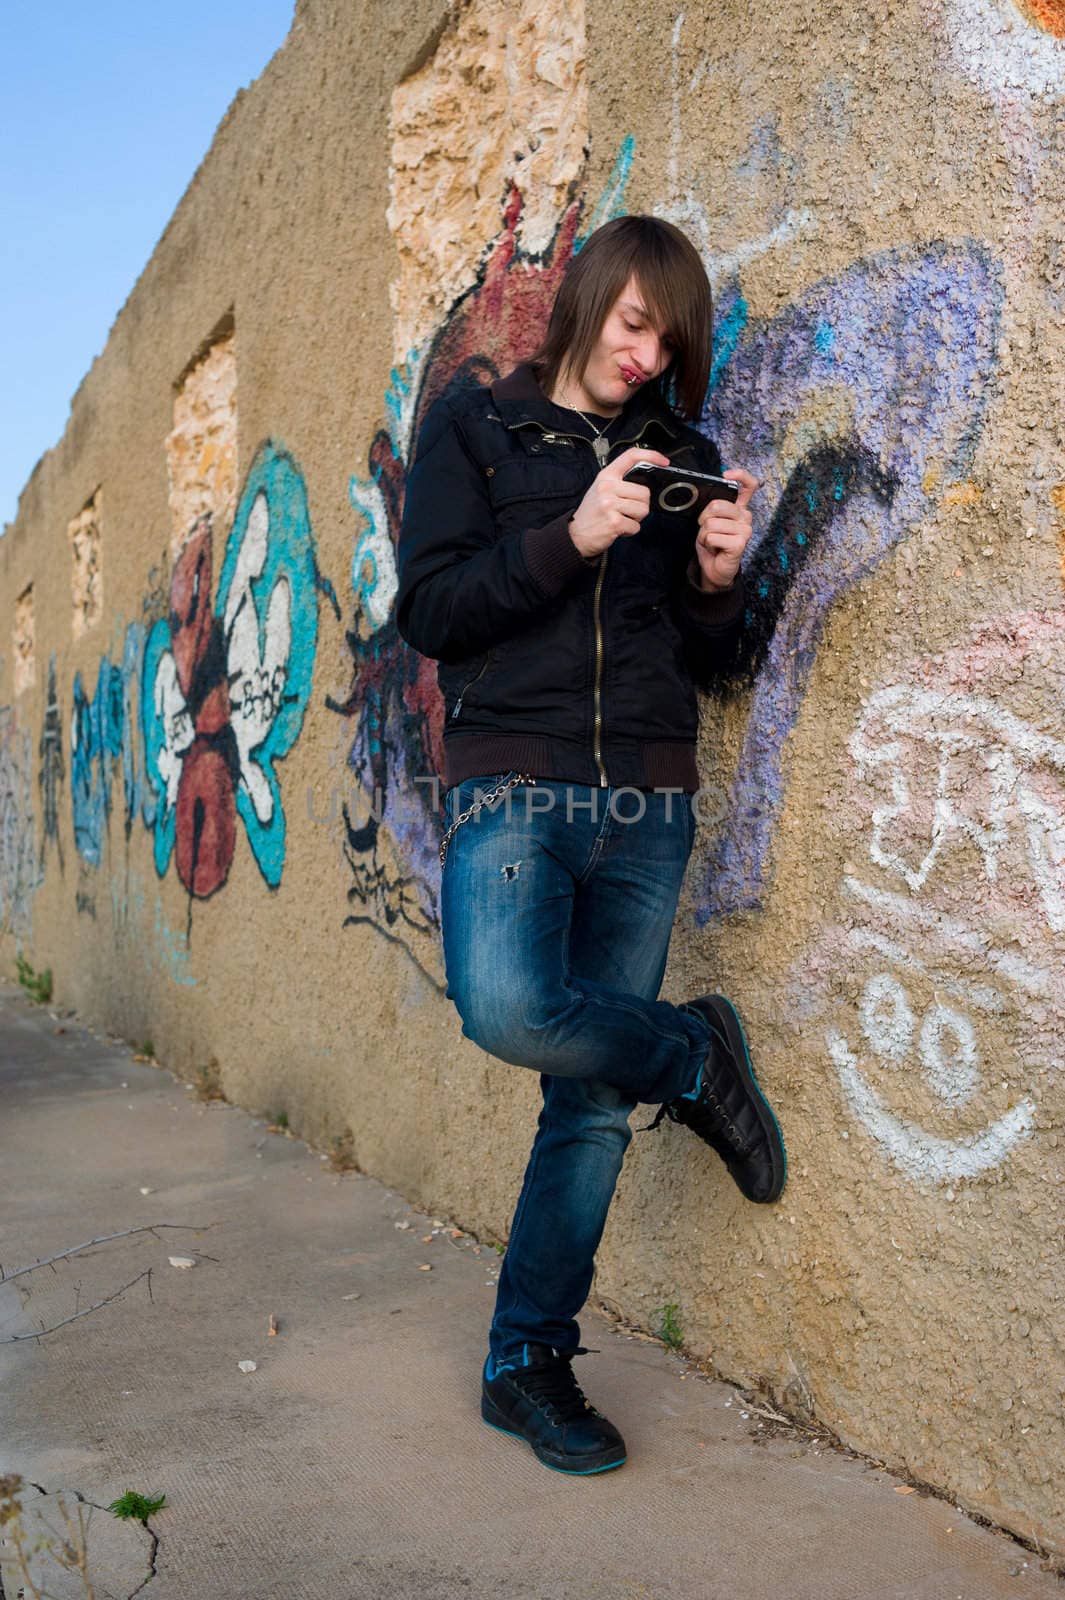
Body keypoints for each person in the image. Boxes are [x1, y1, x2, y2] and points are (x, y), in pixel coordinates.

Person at [396, 214, 786, 1476]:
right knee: (507, 1006)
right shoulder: (479, 428)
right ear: (588, 300)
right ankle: (692, 1051)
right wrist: (572, 533)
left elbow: (710, 660)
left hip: (649, 803)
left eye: (668, 341)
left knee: (590, 1107)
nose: (644, 355)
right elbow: (436, 612)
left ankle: (528, 1362)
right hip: (518, 781)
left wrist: (720, 577)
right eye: (632, 324)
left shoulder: (687, 454)